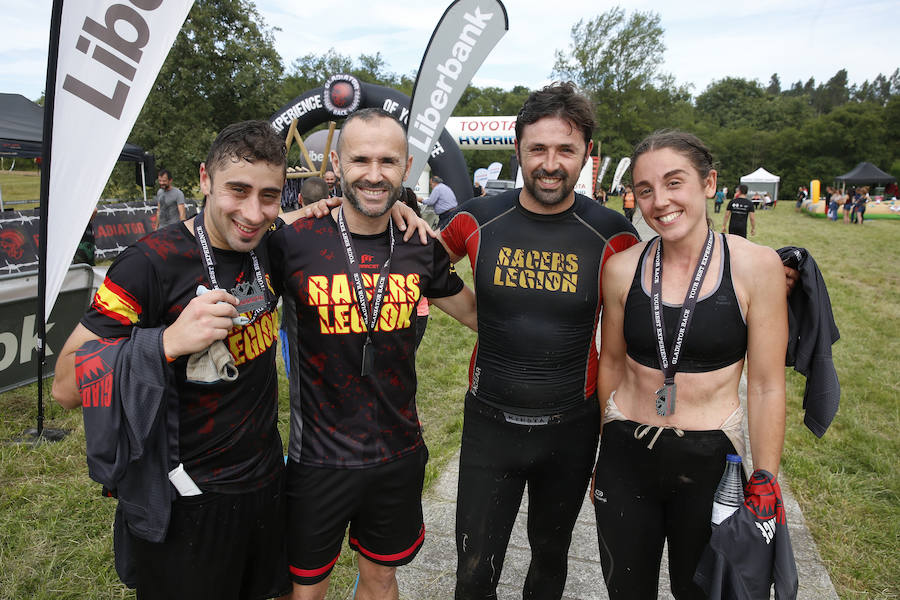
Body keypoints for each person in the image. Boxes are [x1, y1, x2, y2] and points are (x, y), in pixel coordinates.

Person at [52, 120, 293, 599]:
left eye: (269, 196)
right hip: (187, 498)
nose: (252, 212)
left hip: (267, 478)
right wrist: (166, 342)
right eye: (237, 190)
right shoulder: (149, 263)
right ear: (204, 180)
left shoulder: (269, 241)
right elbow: (65, 386)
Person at [440, 82, 639, 600]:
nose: (550, 163)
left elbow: (667, 291)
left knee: (550, 562)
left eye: (565, 150)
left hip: (570, 432)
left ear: (586, 155)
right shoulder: (478, 217)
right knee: (473, 571)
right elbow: (422, 268)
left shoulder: (613, 233)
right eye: (538, 149)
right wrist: (489, 322)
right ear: (519, 150)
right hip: (490, 425)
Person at [270, 108, 477, 600]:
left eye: (388, 161)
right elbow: (226, 236)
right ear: (337, 166)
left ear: (406, 169)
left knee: (382, 577)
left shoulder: (419, 244)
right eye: (360, 159)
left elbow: (477, 316)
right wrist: (293, 214)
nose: (374, 173)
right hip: (317, 457)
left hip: (396, 452)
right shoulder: (294, 241)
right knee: (305, 589)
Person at [592, 130, 787, 599]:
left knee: (701, 592)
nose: (659, 201)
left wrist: (766, 477)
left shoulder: (757, 268)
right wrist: (606, 443)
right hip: (627, 454)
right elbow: (612, 363)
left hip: (712, 463)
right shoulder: (622, 268)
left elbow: (765, 385)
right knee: (625, 590)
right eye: (644, 190)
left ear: (708, 183)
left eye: (674, 182)